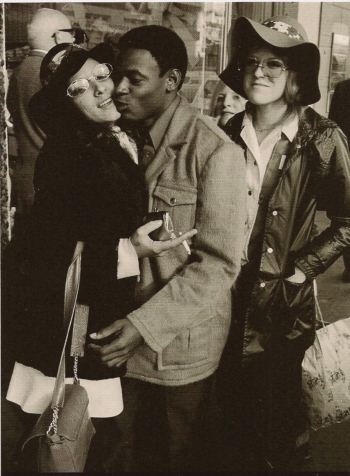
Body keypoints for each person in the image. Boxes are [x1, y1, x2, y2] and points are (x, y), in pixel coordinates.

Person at [3, 42, 195, 472]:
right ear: (64, 104)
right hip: (77, 326)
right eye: (79, 88)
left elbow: (98, 218)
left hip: (97, 313)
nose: (101, 90)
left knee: (96, 439)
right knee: (79, 439)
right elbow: (48, 256)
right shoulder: (65, 156)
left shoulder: (112, 137)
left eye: (101, 75)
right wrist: (132, 249)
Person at [88, 25, 247, 472]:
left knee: (172, 455)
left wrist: (142, 325)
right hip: (118, 339)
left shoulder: (215, 152)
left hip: (177, 347)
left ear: (172, 81)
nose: (118, 89)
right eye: (116, 77)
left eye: (134, 79)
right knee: (116, 453)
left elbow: (217, 265)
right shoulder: (113, 138)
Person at [218, 15, 350, 471]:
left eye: (274, 63)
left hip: (283, 310)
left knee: (277, 425)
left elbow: (348, 219)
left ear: (295, 75)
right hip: (224, 298)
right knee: (226, 420)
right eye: (252, 61)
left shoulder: (323, 138)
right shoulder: (227, 132)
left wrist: (300, 269)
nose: (259, 72)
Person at [7, 8, 74, 227]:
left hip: (25, 176)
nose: (73, 38)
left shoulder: (20, 70)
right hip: (51, 180)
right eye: (70, 32)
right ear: (57, 36)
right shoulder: (51, 74)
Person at [329, 79, 350, 282]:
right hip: (346, 159)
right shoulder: (343, 89)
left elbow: (332, 123)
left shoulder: (343, 88)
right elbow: (333, 125)